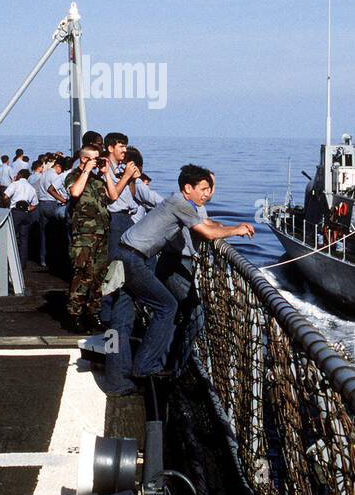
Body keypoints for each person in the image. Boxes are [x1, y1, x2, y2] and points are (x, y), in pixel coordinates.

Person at [105, 164, 255, 389]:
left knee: (120, 320)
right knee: (167, 307)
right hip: (132, 259)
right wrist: (237, 230)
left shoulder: (178, 202)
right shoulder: (180, 203)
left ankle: (116, 381)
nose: (207, 193)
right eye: (203, 188)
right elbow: (207, 232)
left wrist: (226, 226)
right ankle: (145, 366)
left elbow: (205, 223)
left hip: (123, 252)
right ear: (188, 188)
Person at [65, 141, 115, 330]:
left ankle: (93, 312)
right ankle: (74, 314)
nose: (97, 163)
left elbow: (113, 197)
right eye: (94, 159)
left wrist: (106, 174)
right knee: (83, 274)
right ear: (84, 159)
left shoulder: (98, 180)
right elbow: (75, 192)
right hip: (84, 235)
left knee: (99, 276)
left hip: (102, 233)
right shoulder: (74, 176)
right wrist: (86, 170)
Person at [4, 168, 39, 269]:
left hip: (15, 212)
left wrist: (6, 206)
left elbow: (5, 197)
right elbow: (35, 205)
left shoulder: (15, 184)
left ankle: (9, 262)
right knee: (24, 239)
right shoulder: (31, 188)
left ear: (19, 175)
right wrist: (28, 209)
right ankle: (22, 263)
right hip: (26, 213)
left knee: (12, 237)